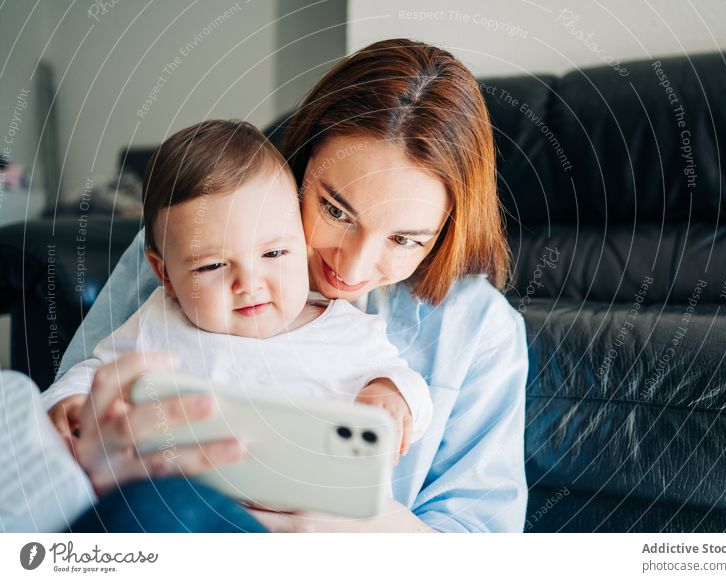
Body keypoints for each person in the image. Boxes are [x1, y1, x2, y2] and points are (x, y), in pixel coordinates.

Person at [52, 38, 529, 533]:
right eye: (335, 210)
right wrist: (77, 444)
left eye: (406, 239)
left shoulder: (480, 331)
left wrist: (376, 532)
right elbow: (70, 414)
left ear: (447, 231)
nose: (353, 266)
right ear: (300, 166)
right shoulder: (196, 240)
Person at [41, 119, 432, 465]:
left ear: (301, 238)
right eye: (212, 265)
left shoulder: (350, 334)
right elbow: (93, 375)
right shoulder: (159, 322)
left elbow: (407, 388)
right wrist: (68, 405)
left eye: (274, 253)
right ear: (166, 275)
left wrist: (393, 394)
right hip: (182, 499)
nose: (249, 283)